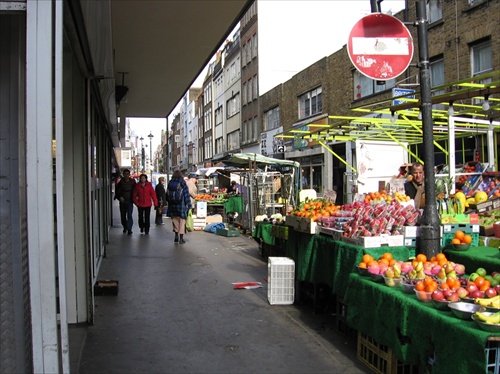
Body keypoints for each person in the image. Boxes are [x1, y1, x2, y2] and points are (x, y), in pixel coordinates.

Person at [167, 170, 192, 244]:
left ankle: (176, 236)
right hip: (181, 204)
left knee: (175, 220)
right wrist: (189, 205)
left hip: (172, 205)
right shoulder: (182, 182)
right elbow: (186, 194)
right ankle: (181, 238)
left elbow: (167, 194)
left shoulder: (170, 182)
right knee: (182, 221)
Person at [115, 169, 136, 235]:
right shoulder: (120, 183)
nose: (126, 175)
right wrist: (119, 197)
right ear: (123, 175)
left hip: (130, 201)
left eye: (127, 174)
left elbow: (135, 191)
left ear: (129, 174)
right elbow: (117, 191)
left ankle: (129, 228)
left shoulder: (132, 182)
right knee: (123, 215)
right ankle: (125, 226)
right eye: (125, 174)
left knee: (129, 215)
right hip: (122, 201)